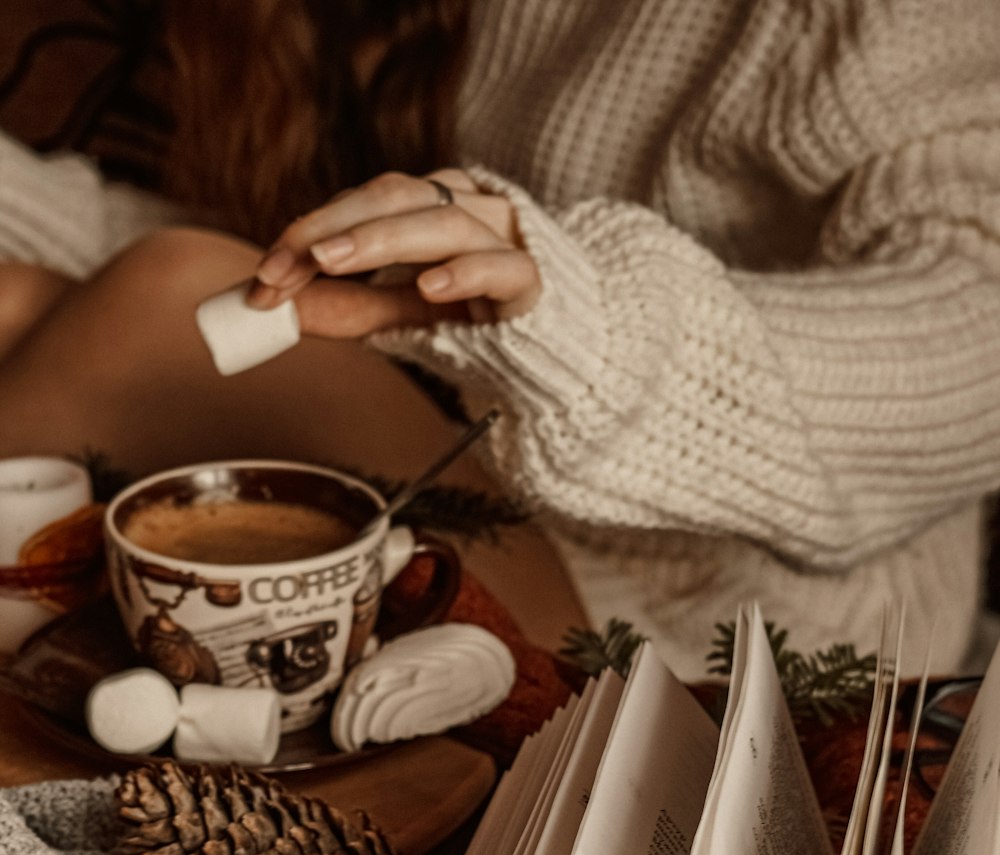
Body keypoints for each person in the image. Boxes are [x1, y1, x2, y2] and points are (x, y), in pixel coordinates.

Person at [0, 0, 998, 677]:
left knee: (153, 297)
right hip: (485, 469)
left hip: (733, 631)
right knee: (22, 302)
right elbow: (310, 266)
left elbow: (973, 327)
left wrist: (589, 334)